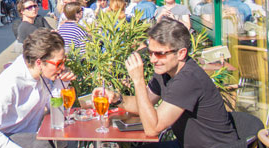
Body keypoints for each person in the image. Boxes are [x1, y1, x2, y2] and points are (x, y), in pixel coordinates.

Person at [100, 19, 239, 147]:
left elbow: (152, 128)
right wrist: (117, 99)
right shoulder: (165, 71)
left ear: (181, 53)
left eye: (160, 54)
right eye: (150, 53)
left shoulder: (188, 79)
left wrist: (138, 81)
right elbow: (144, 104)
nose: (153, 59)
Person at [0, 29, 75, 148]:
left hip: (22, 134)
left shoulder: (41, 74)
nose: (63, 67)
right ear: (39, 63)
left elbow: (52, 105)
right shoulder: (9, 83)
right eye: (59, 63)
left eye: (64, 61)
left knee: (68, 140)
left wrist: (61, 82)